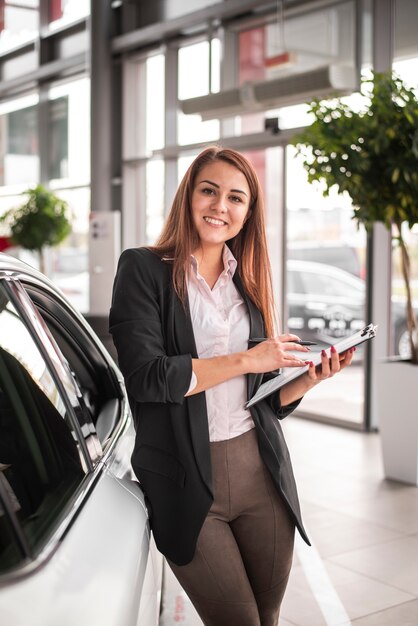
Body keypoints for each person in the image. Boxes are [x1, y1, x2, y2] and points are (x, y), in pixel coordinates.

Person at [109, 146, 354, 626]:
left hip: (260, 473)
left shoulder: (248, 284)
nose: (221, 206)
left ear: (247, 214)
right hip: (185, 478)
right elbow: (148, 378)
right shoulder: (143, 270)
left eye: (236, 198)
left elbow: (262, 399)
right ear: (188, 197)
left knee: (267, 616)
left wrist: (309, 378)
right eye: (209, 191)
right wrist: (247, 357)